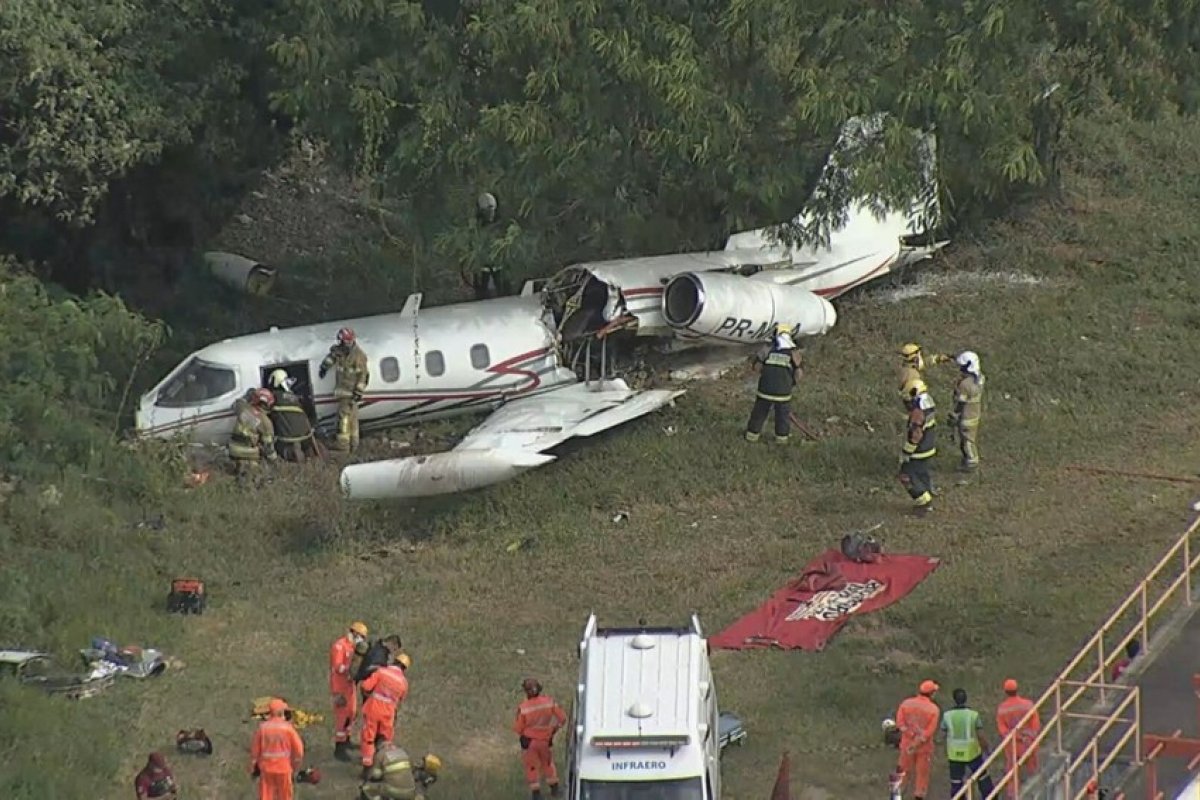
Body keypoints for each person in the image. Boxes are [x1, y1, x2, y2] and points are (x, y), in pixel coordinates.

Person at [744, 324, 804, 444]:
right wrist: (792, 383)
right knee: (782, 417)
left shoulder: (767, 349)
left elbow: (756, 367)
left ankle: (751, 437)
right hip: (783, 393)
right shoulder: (794, 353)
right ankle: (781, 440)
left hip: (765, 390)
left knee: (759, 414)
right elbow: (799, 374)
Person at [514, 678, 567, 800]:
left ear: (526, 692)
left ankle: (536, 795)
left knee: (531, 767)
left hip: (529, 742)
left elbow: (518, 728)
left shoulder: (523, 708)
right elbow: (562, 718)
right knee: (548, 764)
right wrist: (554, 729)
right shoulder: (549, 702)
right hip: (545, 740)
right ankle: (554, 789)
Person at [319, 327, 370, 452]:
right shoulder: (340, 351)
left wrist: (358, 392)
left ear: (348, 342)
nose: (340, 344)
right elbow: (332, 357)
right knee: (352, 419)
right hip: (343, 392)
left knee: (344, 418)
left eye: (342, 341)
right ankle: (354, 444)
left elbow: (363, 376)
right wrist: (324, 367)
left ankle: (343, 445)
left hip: (350, 393)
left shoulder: (358, 356)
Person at [359, 656, 410, 776]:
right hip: (389, 713)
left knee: (368, 737)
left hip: (373, 708)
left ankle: (367, 767)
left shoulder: (382, 672)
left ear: (394, 661)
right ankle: (382, 766)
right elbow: (401, 698)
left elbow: (366, 686)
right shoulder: (404, 683)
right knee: (385, 740)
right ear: (405, 668)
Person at [941, 688, 996, 798]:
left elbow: (943, 735)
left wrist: (945, 751)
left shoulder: (947, 716)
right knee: (982, 777)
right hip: (972, 752)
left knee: (956, 782)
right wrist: (987, 749)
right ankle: (990, 797)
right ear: (965, 699)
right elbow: (980, 735)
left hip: (954, 754)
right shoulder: (973, 715)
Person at [249, 698, 305, 800]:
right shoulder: (288, 728)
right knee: (285, 796)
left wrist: (253, 767)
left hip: (266, 769)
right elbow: (299, 750)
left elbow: (255, 750)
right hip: (284, 769)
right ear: (282, 712)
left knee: (265, 796)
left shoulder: (263, 728)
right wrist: (295, 766)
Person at [893, 679, 941, 800]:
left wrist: (910, 735)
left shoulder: (906, 704)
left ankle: (896, 795)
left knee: (902, 772)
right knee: (922, 775)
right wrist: (917, 742)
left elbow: (900, 724)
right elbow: (928, 732)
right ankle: (919, 797)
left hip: (906, 746)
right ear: (932, 693)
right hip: (924, 749)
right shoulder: (933, 709)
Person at [332, 621, 371, 761]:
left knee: (352, 713)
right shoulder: (339, 646)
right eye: (360, 636)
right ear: (353, 633)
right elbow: (337, 667)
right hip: (340, 686)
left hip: (349, 684)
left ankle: (346, 739)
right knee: (343, 716)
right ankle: (339, 747)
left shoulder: (352, 646)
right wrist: (349, 670)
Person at [898, 377, 937, 515]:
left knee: (906, 475)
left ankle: (923, 502)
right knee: (922, 473)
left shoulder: (917, 412)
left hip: (918, 451)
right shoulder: (928, 403)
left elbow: (915, 436)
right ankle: (929, 493)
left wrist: (906, 452)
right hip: (929, 447)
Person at [268, 369, 322, 462]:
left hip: (288, 438)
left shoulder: (273, 398)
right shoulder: (296, 398)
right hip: (306, 434)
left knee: (278, 446)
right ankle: (308, 451)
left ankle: (290, 454)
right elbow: (309, 410)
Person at [996, 679, 1041, 786]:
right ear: (1017, 689)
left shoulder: (1002, 709)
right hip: (1029, 740)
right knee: (1032, 765)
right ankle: (1034, 784)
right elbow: (1035, 723)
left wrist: (1016, 737)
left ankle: (1013, 793)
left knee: (1012, 770)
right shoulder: (1028, 704)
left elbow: (1002, 729)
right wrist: (1030, 735)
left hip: (1013, 743)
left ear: (1005, 691)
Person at [359, 743, 442, 800]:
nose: (421, 762)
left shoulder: (381, 754)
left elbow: (375, 775)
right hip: (410, 792)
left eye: (424, 761)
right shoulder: (404, 753)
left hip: (399, 792)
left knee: (374, 790)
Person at [948, 351, 985, 471]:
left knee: (967, 440)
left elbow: (961, 402)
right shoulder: (979, 378)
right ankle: (968, 459)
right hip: (975, 413)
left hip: (966, 416)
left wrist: (954, 414)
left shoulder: (965, 385)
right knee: (968, 438)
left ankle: (971, 462)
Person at [228, 388, 278, 476]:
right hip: (249, 454)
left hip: (232, 450)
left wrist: (248, 395)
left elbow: (237, 403)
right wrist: (274, 461)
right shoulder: (266, 422)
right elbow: (268, 447)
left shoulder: (242, 408)